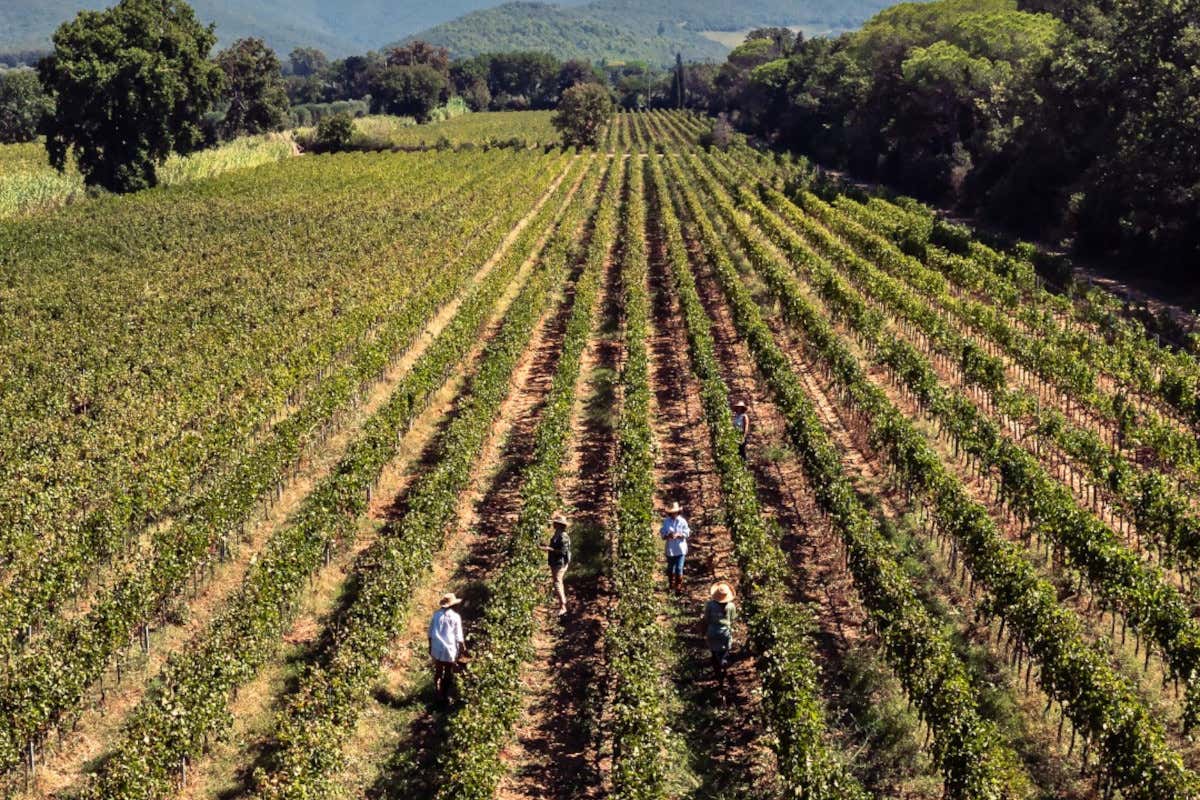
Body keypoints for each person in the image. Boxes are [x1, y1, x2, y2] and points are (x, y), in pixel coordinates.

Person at [428, 592, 466, 702]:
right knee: (448, 671)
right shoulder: (456, 617)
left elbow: (430, 633)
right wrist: (464, 650)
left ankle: (438, 691)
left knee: (438, 671)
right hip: (449, 649)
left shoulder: (436, 615)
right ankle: (445, 695)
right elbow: (459, 637)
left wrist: (430, 646)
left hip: (436, 648)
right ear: (453, 605)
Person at [704, 582, 737, 691]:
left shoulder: (710, 605)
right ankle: (724, 667)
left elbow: (707, 619)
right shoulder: (731, 606)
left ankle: (719, 676)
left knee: (714, 653)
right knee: (724, 653)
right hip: (725, 633)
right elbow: (732, 619)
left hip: (712, 632)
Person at [540, 511, 571, 615]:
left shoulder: (563, 536)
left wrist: (549, 549)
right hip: (555, 562)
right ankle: (561, 605)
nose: (553, 524)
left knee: (557, 582)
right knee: (556, 582)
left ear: (559, 525)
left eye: (555, 523)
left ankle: (563, 605)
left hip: (560, 563)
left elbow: (563, 551)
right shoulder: (557, 534)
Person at [660, 501, 691, 594]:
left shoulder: (682, 521)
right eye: (672, 512)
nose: (673, 514)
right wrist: (668, 535)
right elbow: (662, 533)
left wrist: (679, 534)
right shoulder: (666, 522)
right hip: (670, 549)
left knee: (679, 568)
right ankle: (671, 585)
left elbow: (687, 532)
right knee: (670, 568)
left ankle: (678, 587)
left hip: (680, 549)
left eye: (675, 512)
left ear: (678, 512)